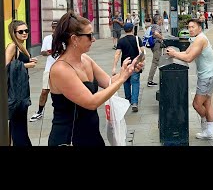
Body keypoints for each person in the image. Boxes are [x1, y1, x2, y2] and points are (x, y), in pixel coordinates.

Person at [48, 11, 143, 146]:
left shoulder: (85, 59)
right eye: (89, 35)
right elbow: (91, 102)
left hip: (92, 134)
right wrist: (122, 79)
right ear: (74, 39)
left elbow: (108, 83)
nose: (93, 39)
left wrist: (128, 70)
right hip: (68, 138)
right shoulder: (61, 69)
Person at [165, 19, 213, 140]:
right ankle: (209, 131)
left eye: (193, 27)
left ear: (200, 28)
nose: (190, 29)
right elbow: (186, 52)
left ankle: (208, 129)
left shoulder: (200, 39)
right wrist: (174, 53)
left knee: (196, 104)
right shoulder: (196, 38)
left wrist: (174, 54)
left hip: (207, 76)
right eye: (189, 27)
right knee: (207, 103)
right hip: (208, 75)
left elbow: (189, 58)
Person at [5, 20, 37, 146]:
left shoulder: (20, 46)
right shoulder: (12, 46)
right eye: (21, 31)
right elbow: (6, 66)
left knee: (19, 124)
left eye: (26, 30)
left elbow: (17, 62)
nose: (24, 33)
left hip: (22, 89)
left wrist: (29, 59)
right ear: (14, 33)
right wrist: (27, 64)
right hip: (15, 91)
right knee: (19, 126)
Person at [30, 20, 58, 122]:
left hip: (62, 69)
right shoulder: (47, 38)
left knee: (63, 93)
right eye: (53, 27)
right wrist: (49, 52)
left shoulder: (64, 39)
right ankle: (39, 111)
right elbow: (42, 52)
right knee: (44, 91)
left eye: (57, 27)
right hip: (49, 68)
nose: (55, 29)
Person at [113, 22, 145, 112]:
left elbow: (117, 54)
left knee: (126, 83)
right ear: (132, 29)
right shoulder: (137, 39)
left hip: (125, 65)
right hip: (135, 66)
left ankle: (127, 100)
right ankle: (134, 103)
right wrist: (141, 61)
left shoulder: (121, 41)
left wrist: (114, 67)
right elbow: (142, 52)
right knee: (135, 83)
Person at [146, 16, 164, 87]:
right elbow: (156, 33)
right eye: (161, 19)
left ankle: (162, 76)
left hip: (153, 45)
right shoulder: (157, 26)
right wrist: (162, 38)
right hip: (157, 45)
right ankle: (150, 80)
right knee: (155, 62)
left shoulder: (152, 25)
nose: (162, 20)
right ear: (158, 20)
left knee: (158, 61)